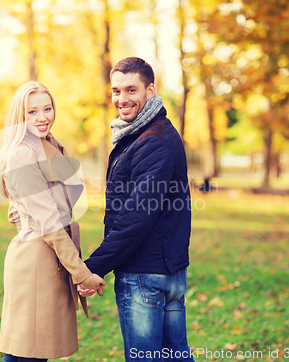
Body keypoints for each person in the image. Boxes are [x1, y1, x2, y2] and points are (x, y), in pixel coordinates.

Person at [78, 57, 195, 362]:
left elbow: (136, 218)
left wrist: (92, 268)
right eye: (116, 91)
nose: (122, 99)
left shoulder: (152, 140)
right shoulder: (145, 134)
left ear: (150, 90)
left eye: (131, 90)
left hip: (145, 274)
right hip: (166, 269)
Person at [0, 81, 106, 362]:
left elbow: (17, 211)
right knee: (27, 351)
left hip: (50, 258)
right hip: (36, 263)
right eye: (32, 111)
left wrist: (25, 213)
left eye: (47, 108)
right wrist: (82, 273)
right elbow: (51, 224)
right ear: (20, 115)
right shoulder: (23, 153)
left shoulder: (49, 145)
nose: (42, 117)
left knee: (32, 351)